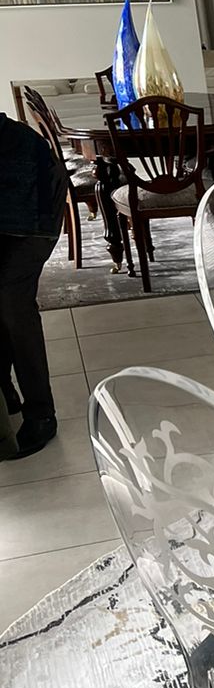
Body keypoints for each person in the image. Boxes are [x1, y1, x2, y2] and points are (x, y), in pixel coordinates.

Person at [0, 109, 68, 459]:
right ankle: (6, 392)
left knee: (13, 304)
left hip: (37, 215)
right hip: (9, 211)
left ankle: (42, 414)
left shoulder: (19, 144)